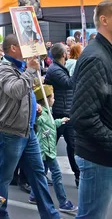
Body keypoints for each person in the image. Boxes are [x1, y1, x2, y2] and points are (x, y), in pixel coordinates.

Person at [70, 0, 112, 219]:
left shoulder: (109, 55)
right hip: (99, 157)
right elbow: (83, 117)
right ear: (104, 20)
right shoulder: (97, 58)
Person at [0, 34, 60, 219]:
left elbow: (24, 93)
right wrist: (30, 71)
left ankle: (50, 215)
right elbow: (15, 90)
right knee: (3, 177)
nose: (29, 48)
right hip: (10, 131)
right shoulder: (3, 69)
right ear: (13, 48)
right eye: (24, 45)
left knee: (38, 174)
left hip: (27, 131)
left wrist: (33, 105)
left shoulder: (18, 67)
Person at [30, 84, 78, 213]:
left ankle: (34, 195)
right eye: (52, 98)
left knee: (41, 174)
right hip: (46, 150)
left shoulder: (48, 113)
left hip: (47, 150)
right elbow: (39, 120)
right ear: (46, 99)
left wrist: (60, 121)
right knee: (56, 175)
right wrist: (37, 110)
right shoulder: (41, 114)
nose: (54, 100)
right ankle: (63, 202)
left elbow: (51, 125)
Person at [45, 43, 80, 187]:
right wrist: (80, 67)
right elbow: (68, 84)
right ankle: (38, 175)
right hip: (59, 113)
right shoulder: (55, 69)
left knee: (73, 145)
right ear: (64, 55)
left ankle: (78, 176)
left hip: (66, 112)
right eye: (66, 51)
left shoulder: (59, 68)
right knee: (50, 145)